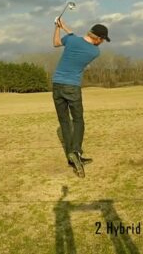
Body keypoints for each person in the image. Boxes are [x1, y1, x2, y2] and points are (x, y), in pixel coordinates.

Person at [52, 17, 110, 177]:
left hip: (56, 85)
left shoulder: (71, 41)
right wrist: (65, 26)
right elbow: (78, 39)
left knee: (64, 122)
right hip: (72, 87)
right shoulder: (94, 51)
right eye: (103, 39)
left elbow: (57, 43)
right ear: (97, 38)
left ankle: (72, 157)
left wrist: (58, 27)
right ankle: (75, 152)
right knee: (78, 120)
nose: (102, 42)